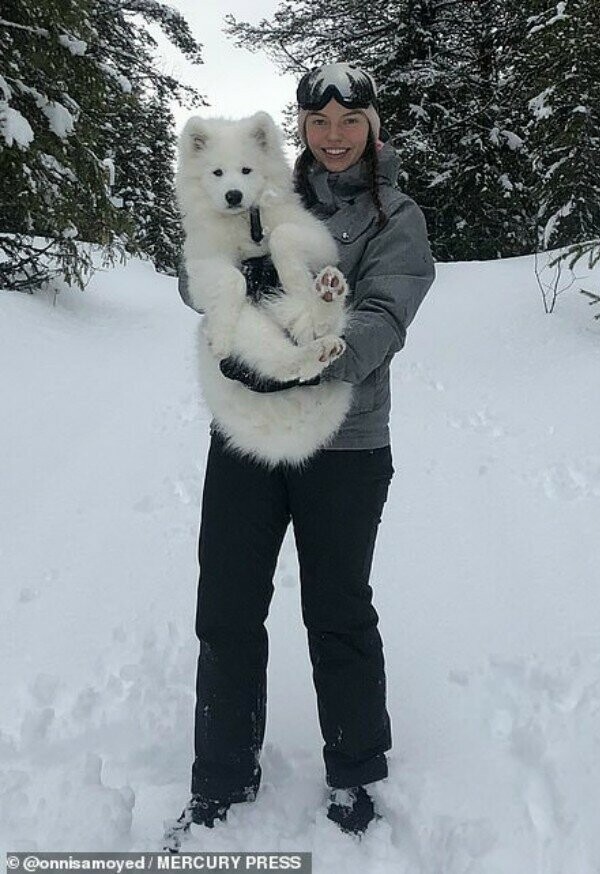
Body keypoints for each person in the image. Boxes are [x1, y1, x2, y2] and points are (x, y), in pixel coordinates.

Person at [165, 62, 436, 847]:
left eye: (351, 121)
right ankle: (220, 781)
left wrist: (319, 361)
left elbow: (386, 313)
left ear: (372, 128)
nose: (336, 135)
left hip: (347, 442)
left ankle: (355, 776)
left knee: (339, 610)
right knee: (226, 608)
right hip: (246, 429)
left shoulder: (399, 218)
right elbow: (198, 272)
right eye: (320, 122)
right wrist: (224, 285)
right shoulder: (267, 186)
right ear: (303, 131)